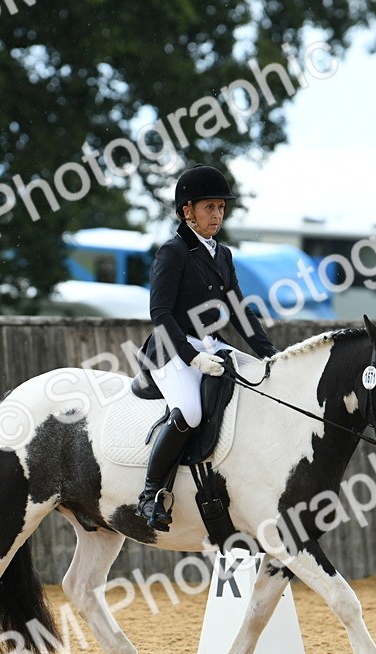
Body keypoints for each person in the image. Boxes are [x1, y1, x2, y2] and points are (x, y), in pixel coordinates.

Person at [135, 164, 279, 531]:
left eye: (221, 208)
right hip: (171, 350)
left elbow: (238, 310)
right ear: (188, 211)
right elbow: (160, 312)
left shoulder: (222, 255)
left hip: (211, 346)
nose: (217, 215)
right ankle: (150, 495)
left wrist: (270, 354)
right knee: (190, 412)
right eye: (209, 208)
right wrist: (192, 357)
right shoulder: (174, 251)